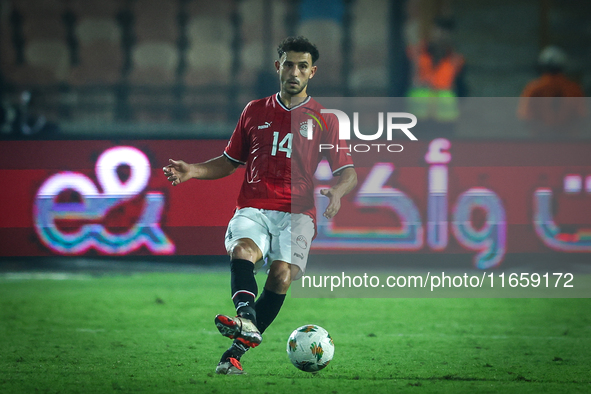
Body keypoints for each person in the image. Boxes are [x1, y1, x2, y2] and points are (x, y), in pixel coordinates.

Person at [162, 36, 357, 375]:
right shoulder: (254, 111)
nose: (294, 72)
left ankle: (234, 351)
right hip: (254, 204)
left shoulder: (326, 120)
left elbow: (348, 171)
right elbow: (229, 161)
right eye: (288, 64)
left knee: (282, 276)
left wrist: (338, 192)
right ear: (277, 66)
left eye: (302, 66)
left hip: (298, 212)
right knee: (242, 249)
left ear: (313, 72)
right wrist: (192, 170)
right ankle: (247, 317)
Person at [405, 16, 467, 138]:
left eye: (446, 32)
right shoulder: (416, 54)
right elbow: (400, 82)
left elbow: (462, 89)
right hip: (417, 116)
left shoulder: (456, 60)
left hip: (444, 118)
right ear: (432, 32)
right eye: (439, 30)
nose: (442, 35)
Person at [517, 46, 587, 139]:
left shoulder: (533, 88)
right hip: (569, 141)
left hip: (541, 141)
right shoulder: (574, 88)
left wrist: (545, 130)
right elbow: (582, 117)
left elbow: (525, 117)